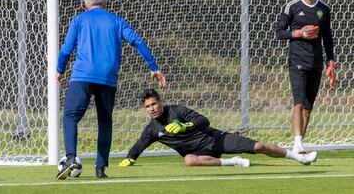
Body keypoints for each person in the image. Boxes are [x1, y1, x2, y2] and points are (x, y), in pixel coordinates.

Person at [55, 0, 166, 180]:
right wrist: (153, 67)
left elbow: (66, 49)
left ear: (86, 5)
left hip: (82, 75)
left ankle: (71, 157)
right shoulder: (117, 21)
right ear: (105, 4)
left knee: (70, 116)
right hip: (107, 77)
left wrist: (60, 70)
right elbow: (137, 41)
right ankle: (100, 168)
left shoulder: (79, 20)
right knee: (104, 121)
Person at [118, 89, 317, 168]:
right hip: (200, 153)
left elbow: (204, 121)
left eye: (154, 104)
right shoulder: (152, 129)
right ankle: (234, 162)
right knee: (188, 160)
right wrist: (129, 158)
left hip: (214, 139)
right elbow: (140, 145)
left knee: (258, 146)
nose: (152, 108)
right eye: (147, 106)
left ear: (160, 102)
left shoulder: (177, 111)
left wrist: (184, 125)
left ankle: (300, 157)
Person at [276, 0, 335, 154]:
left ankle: (299, 146)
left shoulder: (324, 9)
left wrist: (330, 61)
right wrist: (298, 33)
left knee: (308, 108)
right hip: (297, 61)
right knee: (299, 102)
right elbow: (279, 32)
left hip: (315, 63)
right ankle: (297, 143)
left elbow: (327, 37)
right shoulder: (292, 7)